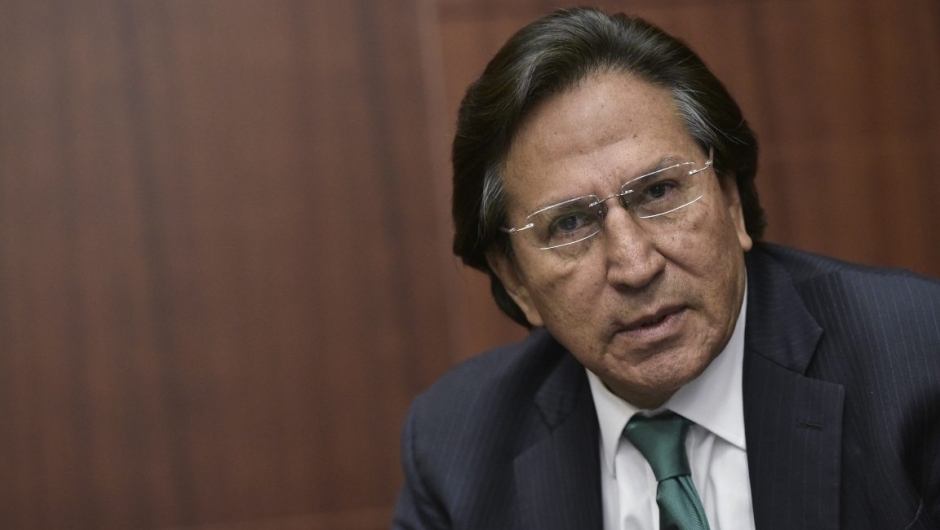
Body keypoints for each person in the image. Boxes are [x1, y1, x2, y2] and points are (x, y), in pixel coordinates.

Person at [393, 7, 940, 530]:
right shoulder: (455, 449)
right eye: (568, 224)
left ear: (730, 199)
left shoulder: (917, 357)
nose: (634, 266)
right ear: (515, 279)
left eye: (658, 192)